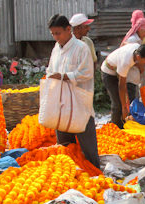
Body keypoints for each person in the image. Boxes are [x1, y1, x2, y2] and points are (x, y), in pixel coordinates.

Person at [46, 14, 99, 168]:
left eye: (58, 33)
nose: (56, 37)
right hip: (61, 102)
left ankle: (94, 172)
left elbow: (87, 73)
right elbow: (50, 68)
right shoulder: (56, 48)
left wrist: (65, 76)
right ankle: (69, 172)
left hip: (79, 102)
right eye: (53, 34)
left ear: (68, 29)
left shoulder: (81, 48)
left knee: (87, 143)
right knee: (64, 144)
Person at [101, 44, 145, 128]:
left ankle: (124, 123)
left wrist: (140, 66)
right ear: (138, 57)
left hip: (118, 69)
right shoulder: (125, 62)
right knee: (117, 103)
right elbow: (122, 86)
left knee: (129, 99)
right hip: (108, 72)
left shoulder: (137, 47)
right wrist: (124, 107)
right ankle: (116, 127)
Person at [122, 10, 145, 98]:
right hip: (130, 77)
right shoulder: (132, 40)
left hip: (134, 76)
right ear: (139, 29)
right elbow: (129, 59)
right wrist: (140, 66)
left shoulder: (137, 39)